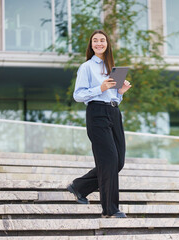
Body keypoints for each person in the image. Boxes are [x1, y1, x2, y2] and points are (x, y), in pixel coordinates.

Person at [67, 29, 131, 218]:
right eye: (95, 40)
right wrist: (100, 88)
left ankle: (78, 186)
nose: (99, 43)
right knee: (108, 160)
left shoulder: (112, 67)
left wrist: (121, 92)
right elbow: (78, 95)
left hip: (113, 112)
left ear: (107, 44)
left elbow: (114, 98)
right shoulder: (86, 67)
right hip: (97, 113)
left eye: (102, 40)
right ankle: (110, 209)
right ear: (91, 45)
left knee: (118, 162)